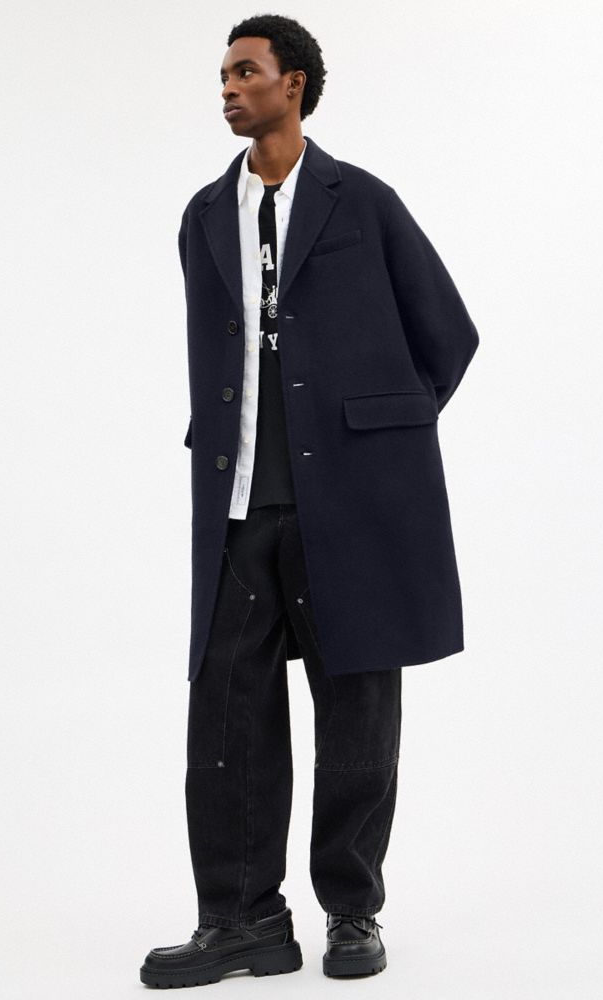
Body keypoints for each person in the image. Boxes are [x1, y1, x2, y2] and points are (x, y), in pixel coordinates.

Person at [140, 13, 479, 989]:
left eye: (245, 71)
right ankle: (242, 918)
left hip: (352, 505)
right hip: (239, 501)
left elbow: (446, 335)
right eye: (222, 74)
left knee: (357, 708)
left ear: (293, 84)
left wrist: (377, 439)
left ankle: (352, 909)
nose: (227, 88)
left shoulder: (361, 202)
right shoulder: (204, 215)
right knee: (227, 714)